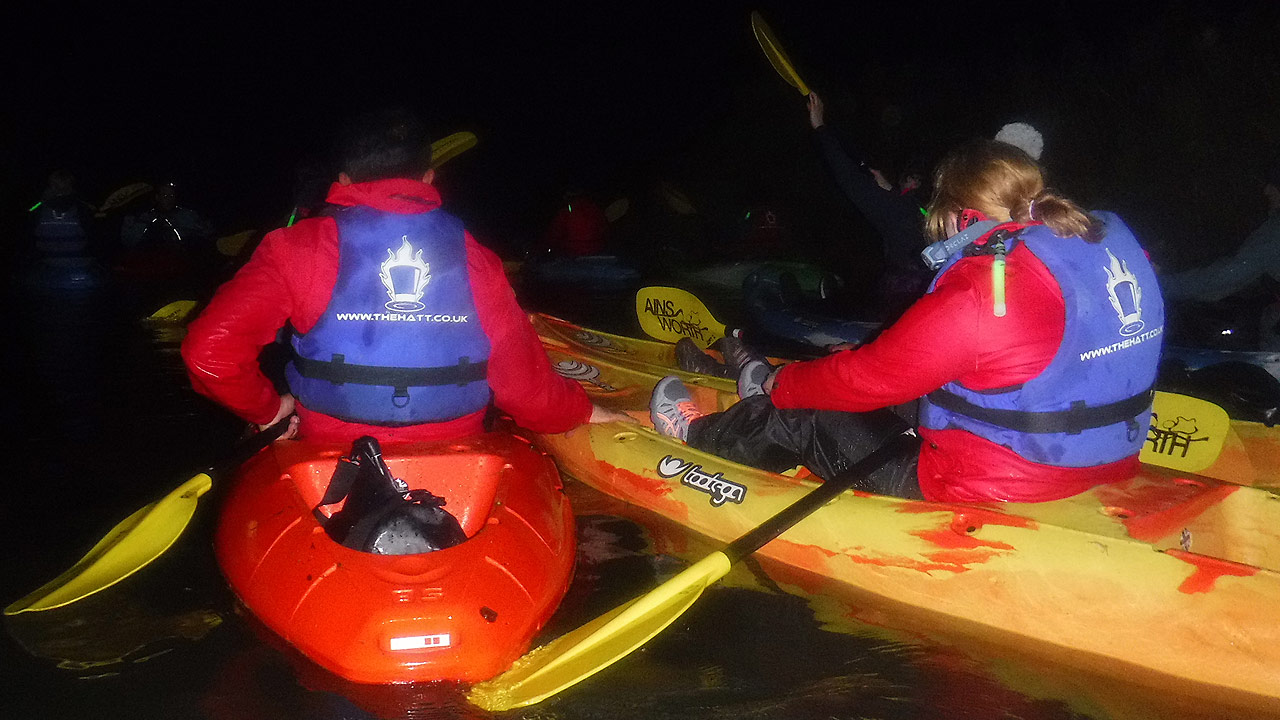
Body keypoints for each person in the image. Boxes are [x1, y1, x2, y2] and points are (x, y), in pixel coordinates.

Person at [651, 139, 1164, 504]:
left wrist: (784, 384)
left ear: (962, 218)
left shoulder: (982, 291)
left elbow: (864, 381)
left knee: (809, 411)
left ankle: (700, 437)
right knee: (889, 385)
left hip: (1001, 482)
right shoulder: (1101, 242)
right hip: (1114, 458)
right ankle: (761, 384)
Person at [181, 108, 629, 443]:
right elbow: (524, 389)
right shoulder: (475, 256)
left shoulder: (293, 246)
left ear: (342, 178)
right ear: (429, 178)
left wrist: (266, 410)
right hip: (454, 445)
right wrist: (585, 412)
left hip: (327, 445)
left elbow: (209, 353)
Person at [806, 91, 933, 319]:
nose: (912, 182)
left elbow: (848, 176)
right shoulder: (923, 211)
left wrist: (819, 126)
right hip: (930, 291)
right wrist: (891, 191)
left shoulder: (898, 209)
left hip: (905, 298)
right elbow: (908, 208)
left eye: (916, 179)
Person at [1158, 161, 1280, 349]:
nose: (1267, 191)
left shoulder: (1274, 234)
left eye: (1274, 185)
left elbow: (1222, 279)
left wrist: (1156, 285)